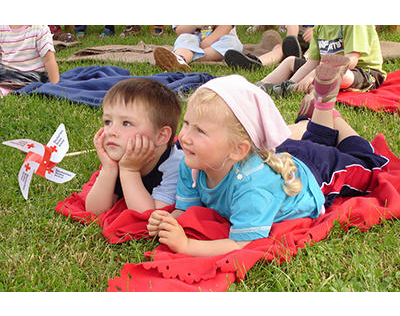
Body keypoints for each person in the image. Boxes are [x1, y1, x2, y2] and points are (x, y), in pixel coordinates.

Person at [146, 55, 388, 257]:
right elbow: (186, 208)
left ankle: (332, 116)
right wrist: (169, 222)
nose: (184, 137)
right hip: (279, 159)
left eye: (199, 130)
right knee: (312, 142)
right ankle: (317, 119)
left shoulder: (254, 188)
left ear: (238, 149)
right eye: (187, 123)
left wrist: (187, 245)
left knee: (369, 164)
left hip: (317, 174)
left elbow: (243, 245)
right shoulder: (193, 162)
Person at [85, 78, 184, 215]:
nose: (111, 131)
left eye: (126, 123)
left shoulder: (177, 166)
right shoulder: (121, 156)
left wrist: (129, 171)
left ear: (161, 136)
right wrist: (109, 169)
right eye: (108, 122)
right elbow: (94, 211)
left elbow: (148, 217)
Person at [257, 25, 386, 98]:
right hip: (323, 67)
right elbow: (312, 62)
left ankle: (286, 90)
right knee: (290, 61)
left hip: (361, 72)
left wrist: (315, 74)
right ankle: (259, 87)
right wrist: (293, 82)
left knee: (333, 75)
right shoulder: (319, 27)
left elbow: (351, 60)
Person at [0, 25, 59, 97]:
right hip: (6, 73)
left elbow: (49, 60)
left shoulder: (39, 28)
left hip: (30, 76)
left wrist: (55, 87)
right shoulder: (2, 28)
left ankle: (5, 90)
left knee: (22, 85)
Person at [153, 25, 243, 72]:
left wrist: (205, 44)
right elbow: (180, 30)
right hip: (192, 37)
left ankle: (183, 59)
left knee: (234, 44)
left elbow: (224, 28)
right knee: (184, 39)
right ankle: (180, 58)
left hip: (218, 40)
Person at [225, 25, 313, 71]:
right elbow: (292, 31)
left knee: (313, 48)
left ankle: (303, 61)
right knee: (279, 48)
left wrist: (316, 32)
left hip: (320, 43)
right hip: (300, 41)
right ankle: (256, 62)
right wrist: (290, 43)